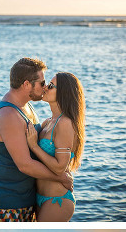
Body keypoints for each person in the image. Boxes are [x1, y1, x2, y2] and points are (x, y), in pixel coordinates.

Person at [0, 57, 73, 222]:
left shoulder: (26, 105)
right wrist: (60, 177)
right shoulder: (9, 115)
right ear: (26, 84)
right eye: (41, 83)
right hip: (8, 198)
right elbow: (25, 164)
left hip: (26, 194)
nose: (45, 87)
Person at [25, 72, 85, 222]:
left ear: (63, 93)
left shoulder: (65, 123)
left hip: (57, 200)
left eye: (50, 86)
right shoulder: (47, 122)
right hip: (39, 197)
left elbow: (59, 167)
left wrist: (34, 146)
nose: (45, 87)